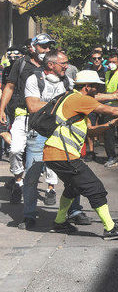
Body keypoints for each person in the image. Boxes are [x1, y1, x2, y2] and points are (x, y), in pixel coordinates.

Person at [44, 70, 118, 239]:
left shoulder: (75, 100)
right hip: (63, 154)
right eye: (96, 86)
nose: (98, 89)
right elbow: (111, 110)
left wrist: (112, 124)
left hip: (55, 155)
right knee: (96, 189)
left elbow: (90, 131)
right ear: (87, 87)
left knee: (73, 188)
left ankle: (60, 222)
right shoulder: (79, 99)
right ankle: (110, 228)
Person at [20, 51, 88, 230]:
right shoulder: (34, 80)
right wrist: (62, 105)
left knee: (73, 175)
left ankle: (74, 211)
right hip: (39, 135)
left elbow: (81, 100)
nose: (67, 66)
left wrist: (112, 97)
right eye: (63, 63)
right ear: (51, 65)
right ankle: (29, 215)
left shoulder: (67, 81)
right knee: (32, 178)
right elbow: (33, 106)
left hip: (61, 136)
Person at [0, 34, 56, 203]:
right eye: (43, 46)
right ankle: (18, 181)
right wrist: (1, 109)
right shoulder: (21, 63)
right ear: (33, 47)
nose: (46, 50)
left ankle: (51, 188)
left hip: (46, 116)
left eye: (49, 47)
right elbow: (9, 87)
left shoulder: (52, 65)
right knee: (16, 150)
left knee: (50, 152)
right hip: (23, 115)